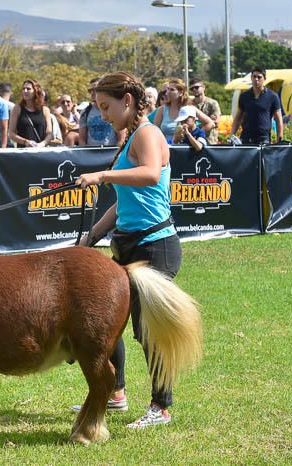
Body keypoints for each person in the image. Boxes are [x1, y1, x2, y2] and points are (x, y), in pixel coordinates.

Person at [74, 71, 182, 429]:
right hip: (128, 242)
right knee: (110, 323)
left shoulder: (148, 133)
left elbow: (151, 174)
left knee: (148, 330)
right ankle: (114, 392)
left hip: (156, 246)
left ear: (128, 101)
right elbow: (123, 204)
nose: (103, 115)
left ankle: (160, 408)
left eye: (106, 107)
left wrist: (102, 177)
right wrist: (91, 236)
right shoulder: (130, 137)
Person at [230, 67, 284, 145]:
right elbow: (238, 119)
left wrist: (279, 140)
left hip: (263, 139)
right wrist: (232, 135)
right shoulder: (244, 96)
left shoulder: (272, 96)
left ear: (264, 79)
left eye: (259, 77)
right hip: (246, 138)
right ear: (251, 78)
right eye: (254, 77)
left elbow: (279, 120)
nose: (256, 79)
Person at [154, 78, 213, 144]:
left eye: (172, 90)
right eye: (168, 89)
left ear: (181, 93)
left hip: (186, 150)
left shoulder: (189, 108)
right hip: (166, 148)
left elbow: (210, 123)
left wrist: (197, 134)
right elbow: (154, 132)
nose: (168, 92)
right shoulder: (162, 110)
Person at [80, 77, 124, 147]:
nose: (92, 93)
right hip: (91, 154)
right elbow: (82, 139)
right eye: (90, 90)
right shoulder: (85, 112)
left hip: (111, 153)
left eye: (95, 90)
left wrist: (117, 155)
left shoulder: (113, 109)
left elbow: (121, 138)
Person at [9, 79, 52, 148]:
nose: (25, 91)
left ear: (35, 91)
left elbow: (49, 133)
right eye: (23, 89)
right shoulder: (17, 108)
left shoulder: (45, 110)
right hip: (23, 152)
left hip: (41, 151)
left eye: (28, 89)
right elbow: (11, 133)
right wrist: (25, 142)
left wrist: (42, 144)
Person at [189, 78, 221, 145]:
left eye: (196, 87)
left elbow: (216, 122)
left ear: (203, 87)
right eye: (192, 89)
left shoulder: (213, 103)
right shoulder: (190, 105)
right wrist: (207, 121)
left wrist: (197, 124)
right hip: (194, 141)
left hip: (210, 141)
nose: (194, 90)